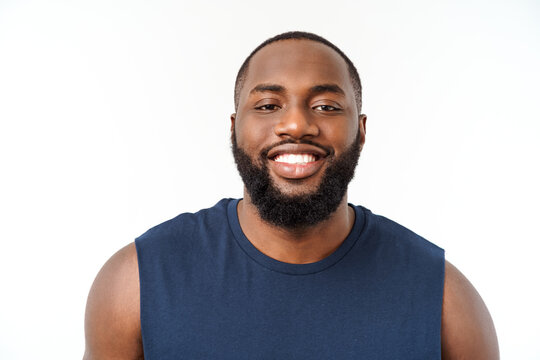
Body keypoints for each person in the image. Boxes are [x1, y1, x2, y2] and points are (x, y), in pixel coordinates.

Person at [84, 31, 499, 359]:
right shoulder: (135, 282)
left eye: (326, 106)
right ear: (234, 127)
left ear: (362, 130)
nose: (297, 124)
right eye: (267, 105)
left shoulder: (444, 298)